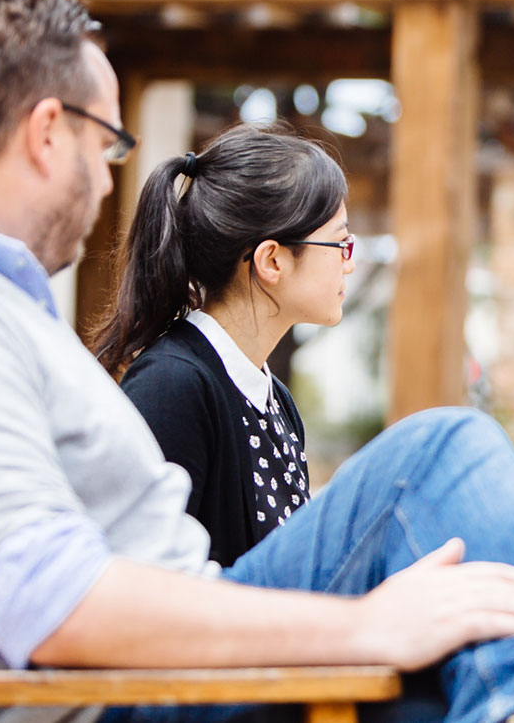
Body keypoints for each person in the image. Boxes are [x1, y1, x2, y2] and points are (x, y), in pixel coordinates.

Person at [0, 0, 514, 723]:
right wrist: (362, 627)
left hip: (168, 667)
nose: (110, 181)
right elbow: (50, 598)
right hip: (132, 693)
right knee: (436, 452)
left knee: (460, 628)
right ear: (45, 133)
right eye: (107, 144)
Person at [94, 125, 354, 566]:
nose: (350, 263)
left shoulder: (275, 401)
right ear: (272, 260)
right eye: (341, 242)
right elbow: (140, 579)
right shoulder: (171, 386)